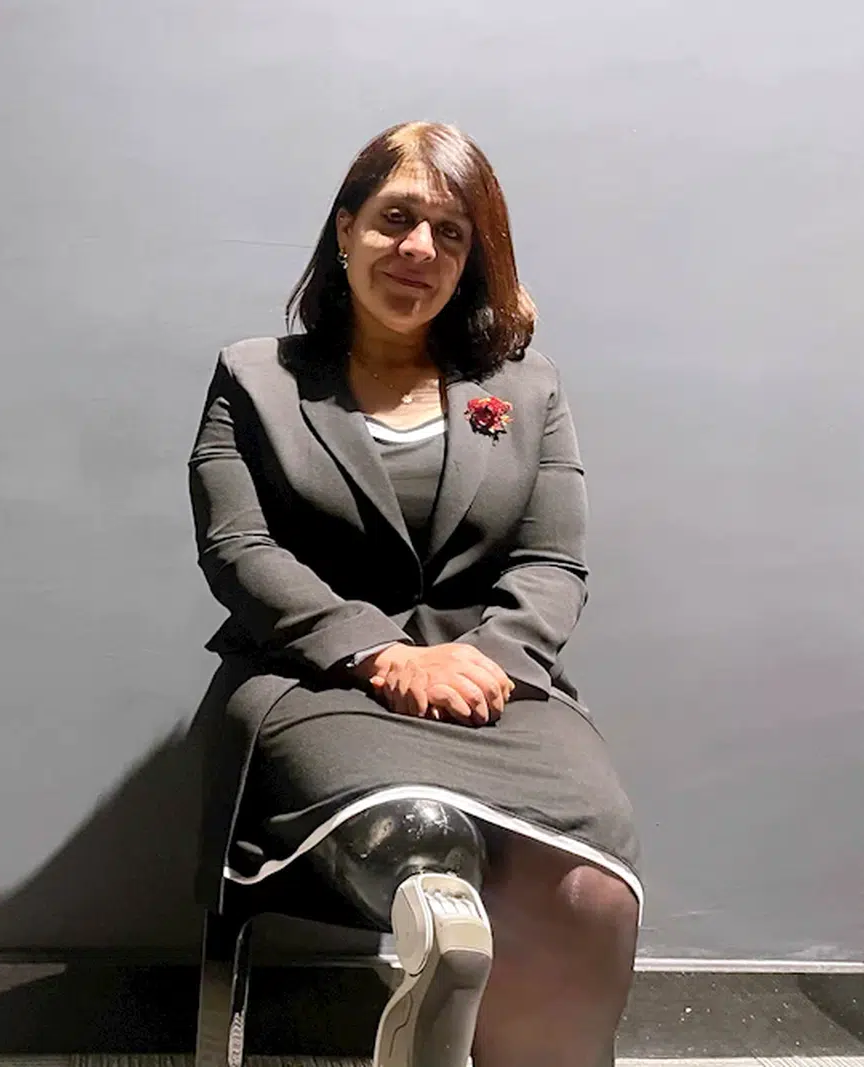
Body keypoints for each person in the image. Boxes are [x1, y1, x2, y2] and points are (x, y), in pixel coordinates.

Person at [188, 120, 641, 1067]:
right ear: (345, 229)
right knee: (424, 836)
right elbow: (240, 550)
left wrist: (483, 657)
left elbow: (553, 562)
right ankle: (441, 971)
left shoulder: (526, 388)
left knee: (590, 886)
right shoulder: (255, 379)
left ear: (472, 258)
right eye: (396, 218)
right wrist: (380, 651)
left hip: (496, 688)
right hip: (315, 683)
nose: (419, 249)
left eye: (450, 231)